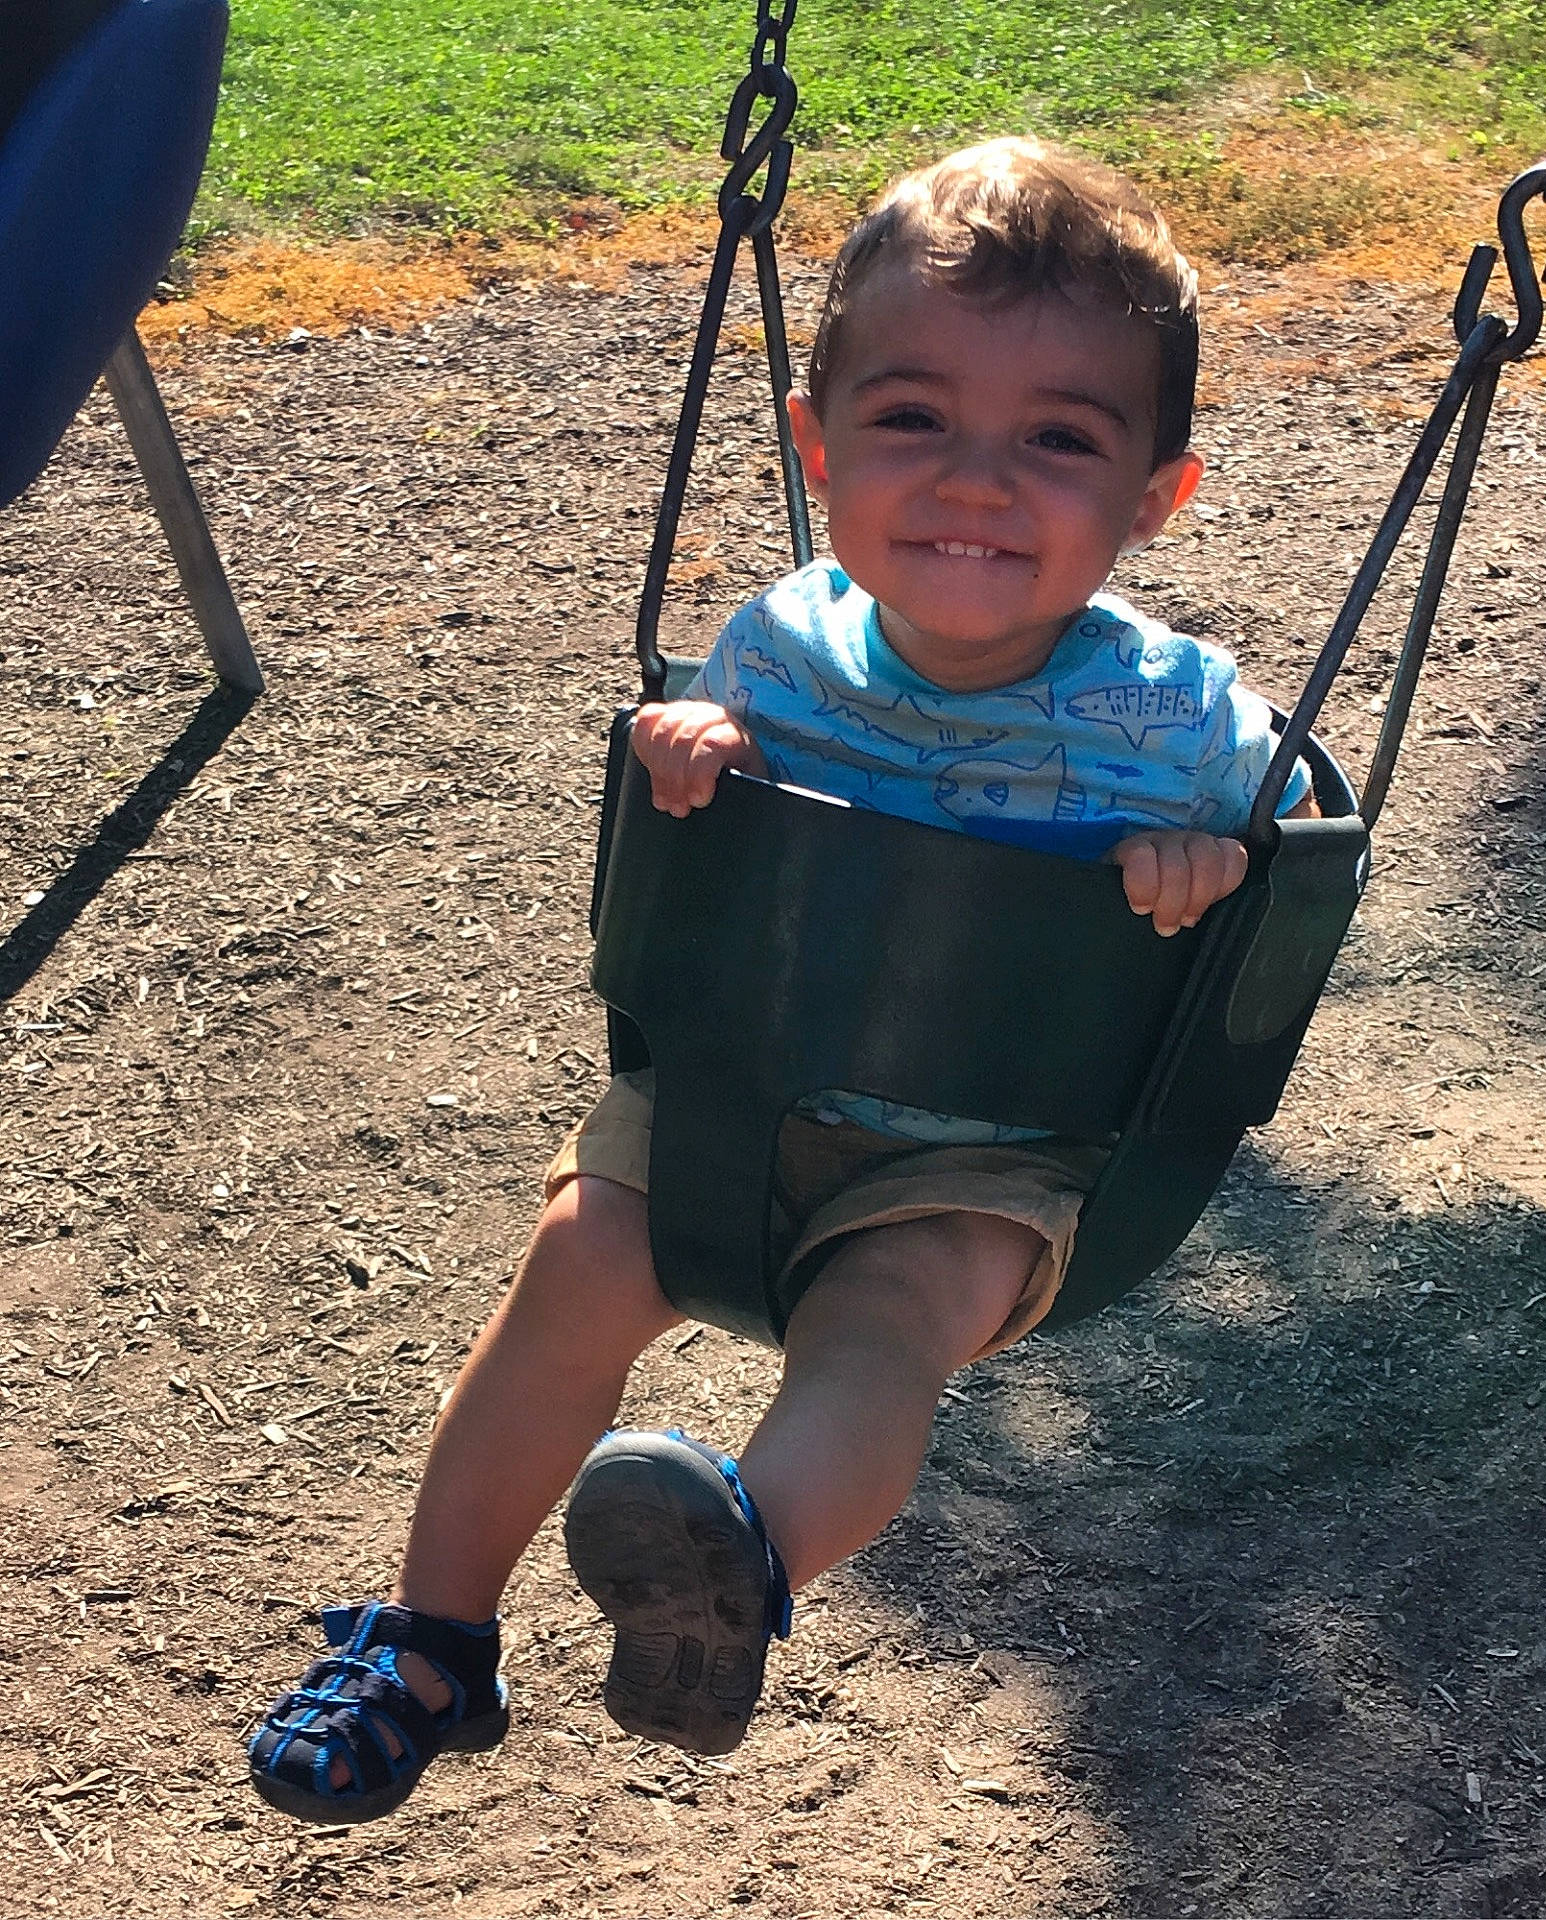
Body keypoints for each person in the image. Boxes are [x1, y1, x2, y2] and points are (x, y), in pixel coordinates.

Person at [245, 135, 1315, 1825]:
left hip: (981, 1149)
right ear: (817, 448)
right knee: (575, 1266)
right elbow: (715, 779)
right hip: (741, 1088)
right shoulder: (778, 641)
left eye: (1059, 440)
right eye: (914, 421)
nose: (976, 481)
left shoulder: (1182, 719)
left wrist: (1211, 865)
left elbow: (1290, 846)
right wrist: (697, 747)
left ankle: (736, 1568)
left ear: (1153, 496)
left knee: (888, 1323)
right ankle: (432, 1642)